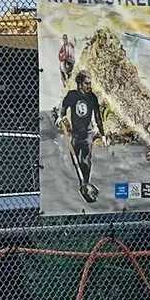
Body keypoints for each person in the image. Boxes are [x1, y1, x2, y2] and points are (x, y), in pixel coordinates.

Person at [59, 69, 104, 203]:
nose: (89, 86)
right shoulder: (72, 95)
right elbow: (64, 107)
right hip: (75, 133)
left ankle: (85, 183)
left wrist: (103, 132)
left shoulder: (92, 97)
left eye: (90, 84)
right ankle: (82, 180)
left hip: (87, 133)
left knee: (86, 160)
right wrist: (60, 117)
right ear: (79, 83)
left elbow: (97, 115)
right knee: (75, 158)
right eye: (86, 84)